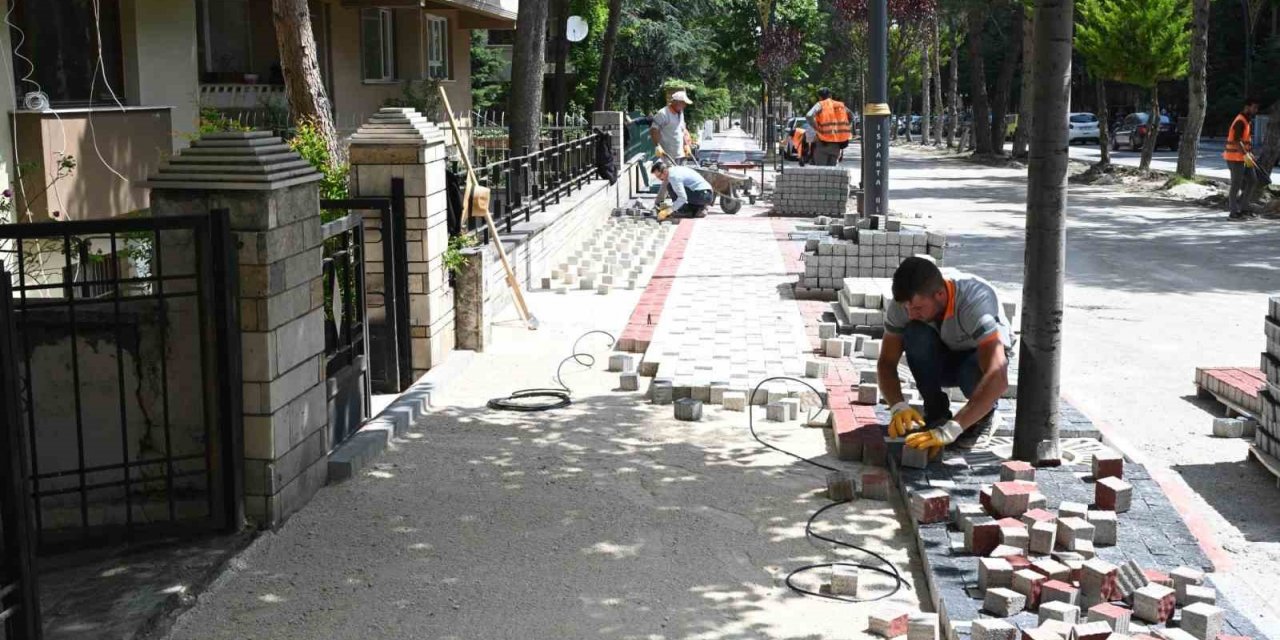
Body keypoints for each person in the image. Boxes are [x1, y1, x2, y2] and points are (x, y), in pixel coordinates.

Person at [878, 257, 1011, 454]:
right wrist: (897, 405)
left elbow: (998, 376)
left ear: (940, 294)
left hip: (977, 360)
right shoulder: (905, 305)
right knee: (915, 333)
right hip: (943, 359)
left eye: (918, 308)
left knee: (970, 372)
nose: (911, 314)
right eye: (907, 308)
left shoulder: (975, 301)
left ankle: (984, 416)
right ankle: (936, 413)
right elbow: (886, 363)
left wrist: (953, 429)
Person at [1224, 97, 1262, 220]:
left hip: (1244, 158)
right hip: (1235, 158)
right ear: (1247, 106)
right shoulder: (1240, 121)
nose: (1256, 110)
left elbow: (1245, 141)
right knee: (1236, 184)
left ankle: (1244, 208)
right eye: (1254, 107)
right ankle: (1233, 213)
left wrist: (1249, 154)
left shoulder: (1246, 120)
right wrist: (1246, 154)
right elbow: (1236, 140)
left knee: (1252, 180)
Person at [805, 88, 852, 166]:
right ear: (831, 95)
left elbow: (809, 115)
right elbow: (851, 117)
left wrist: (817, 128)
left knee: (821, 171)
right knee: (833, 172)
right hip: (837, 145)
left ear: (820, 97)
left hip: (823, 143)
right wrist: (842, 127)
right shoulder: (840, 105)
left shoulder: (820, 104)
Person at [650, 91, 694, 163]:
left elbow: (683, 129)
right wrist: (657, 146)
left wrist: (686, 144)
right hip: (668, 155)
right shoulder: (663, 113)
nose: (685, 105)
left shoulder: (680, 113)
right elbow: (654, 130)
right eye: (683, 103)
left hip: (680, 154)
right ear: (677, 102)